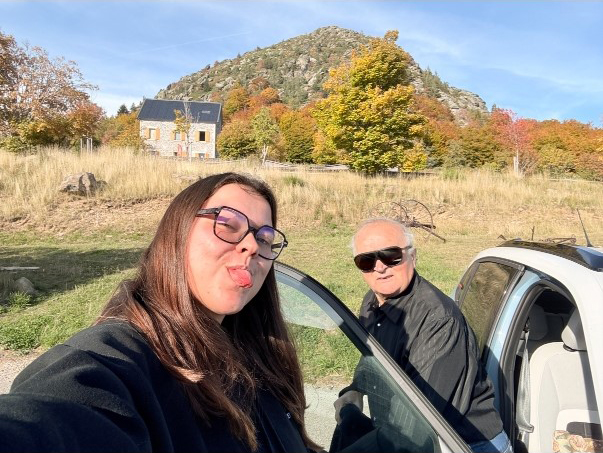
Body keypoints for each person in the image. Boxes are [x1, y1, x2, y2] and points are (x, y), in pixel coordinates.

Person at [0, 172, 319, 452]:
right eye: (227, 224)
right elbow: (54, 420)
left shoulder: (261, 355)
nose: (252, 246)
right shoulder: (118, 359)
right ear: (177, 234)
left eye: (265, 238)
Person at [333, 218, 512, 453]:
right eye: (366, 260)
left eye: (391, 256)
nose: (380, 267)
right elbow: (372, 358)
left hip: (465, 445)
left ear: (413, 256)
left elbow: (414, 422)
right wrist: (355, 389)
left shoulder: (437, 320)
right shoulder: (372, 301)